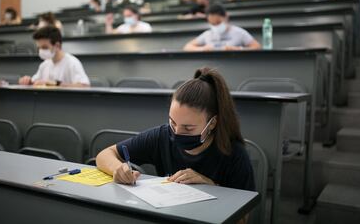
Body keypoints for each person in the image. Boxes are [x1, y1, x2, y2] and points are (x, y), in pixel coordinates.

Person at [96, 67, 255, 196]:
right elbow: (105, 155)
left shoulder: (235, 155)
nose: (177, 132)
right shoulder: (161, 136)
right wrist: (118, 169)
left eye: (188, 128)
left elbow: (242, 219)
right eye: (172, 123)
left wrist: (212, 186)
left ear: (212, 123)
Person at [18, 26, 90, 87]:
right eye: (39, 48)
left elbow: (85, 86)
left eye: (44, 47)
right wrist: (28, 81)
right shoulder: (44, 65)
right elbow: (36, 81)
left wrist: (56, 84)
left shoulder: (72, 63)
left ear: (57, 45)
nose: (41, 51)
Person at [183, 4, 261, 51]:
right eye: (213, 24)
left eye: (218, 22)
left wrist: (239, 49)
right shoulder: (208, 34)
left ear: (226, 17)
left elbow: (256, 46)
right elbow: (187, 46)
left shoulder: (239, 32)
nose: (216, 26)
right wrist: (202, 49)